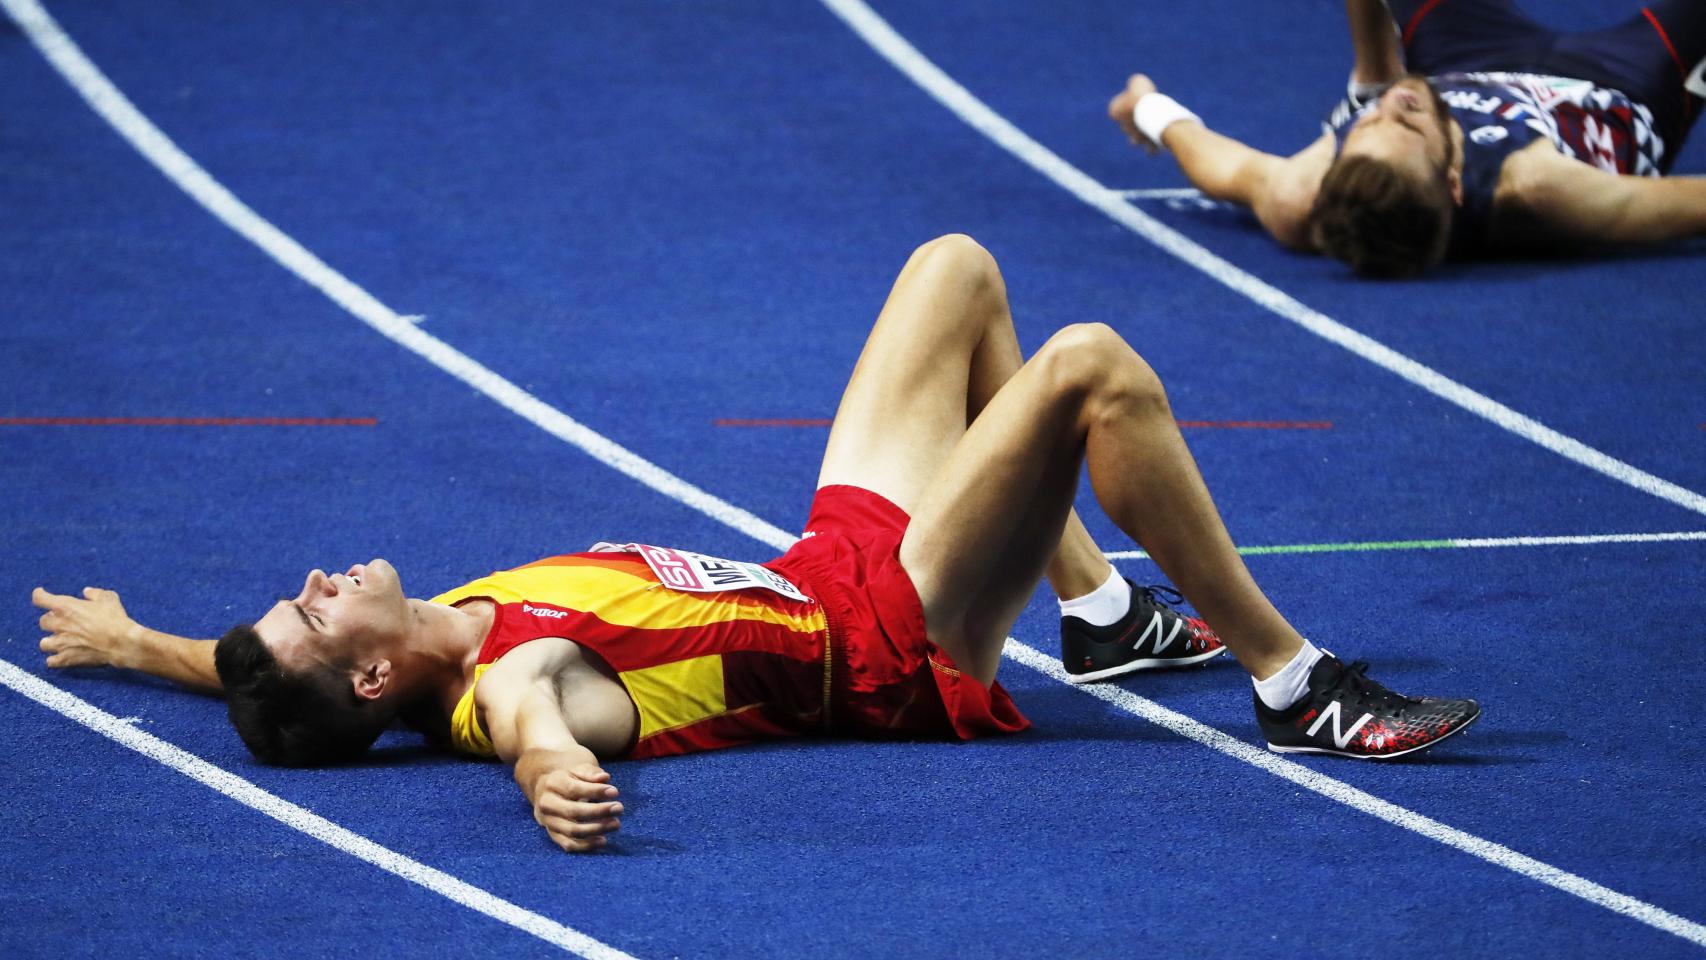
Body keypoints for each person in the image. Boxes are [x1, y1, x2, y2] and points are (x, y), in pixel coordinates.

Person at [33, 236, 1479, 854]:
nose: (312, 585)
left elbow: (261, 683)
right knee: (1087, 367)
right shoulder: (506, 689)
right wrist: (557, 791)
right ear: (369, 686)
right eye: (311, 616)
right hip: (892, 640)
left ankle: (1095, 612)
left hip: (821, 561)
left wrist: (138, 646)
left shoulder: (429, 634)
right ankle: (1296, 686)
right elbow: (545, 738)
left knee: (953, 272)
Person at [1107, 0, 1706, 277]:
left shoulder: (1307, 194)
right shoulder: (1538, 187)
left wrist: (1150, 109)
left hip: (1463, 59)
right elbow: (1688, 203)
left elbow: (1222, 164)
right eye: (1407, 121)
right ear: (1453, 181)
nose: (1396, 107)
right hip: (1617, 79)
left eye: (1366, 124)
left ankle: (1366, 76)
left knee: (1384, 88)